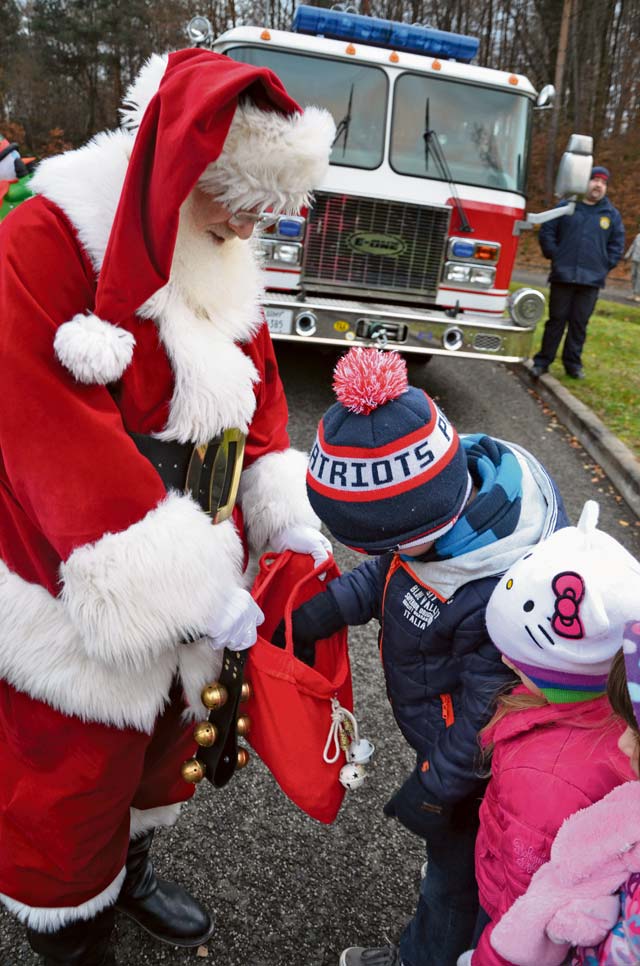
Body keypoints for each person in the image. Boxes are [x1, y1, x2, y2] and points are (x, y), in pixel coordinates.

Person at [0, 49, 335, 964]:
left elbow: (257, 389)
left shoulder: (219, 241)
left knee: (161, 746)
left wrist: (285, 517)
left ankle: (131, 864)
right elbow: (42, 427)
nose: (249, 228)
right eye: (240, 203)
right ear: (182, 171)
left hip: (199, 548)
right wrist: (181, 580)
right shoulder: (44, 237)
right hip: (74, 566)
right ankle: (71, 928)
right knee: (68, 772)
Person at [279, 346, 570, 966]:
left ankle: (427, 955)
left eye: (380, 542)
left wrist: (438, 787)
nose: (380, 554)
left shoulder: (501, 596)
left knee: (458, 881)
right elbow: (394, 568)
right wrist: (327, 609)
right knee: (459, 873)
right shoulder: (443, 504)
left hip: (480, 771)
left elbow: (491, 712)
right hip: (446, 740)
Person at [455, 500, 640, 966]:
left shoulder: (546, 778)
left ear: (567, 675)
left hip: (508, 909)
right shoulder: (611, 713)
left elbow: (527, 894)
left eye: (521, 661)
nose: (503, 661)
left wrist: (495, 946)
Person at [486, 621, 640, 966]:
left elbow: (525, 903)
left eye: (638, 733)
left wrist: (492, 953)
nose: (622, 741)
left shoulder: (551, 779)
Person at [530, 165, 625, 380]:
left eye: (603, 182)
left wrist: (604, 265)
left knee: (579, 324)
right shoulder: (566, 208)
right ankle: (542, 362)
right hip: (563, 276)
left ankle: (573, 365)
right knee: (556, 321)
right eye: (595, 180)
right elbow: (547, 232)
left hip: (591, 281)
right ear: (585, 183)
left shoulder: (611, 215)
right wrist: (557, 256)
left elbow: (617, 245)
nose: (598, 185)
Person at [624, 223, 640, 302]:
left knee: (639, 278)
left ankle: (638, 295)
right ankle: (634, 293)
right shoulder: (638, 236)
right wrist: (627, 255)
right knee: (633, 275)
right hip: (635, 259)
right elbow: (632, 246)